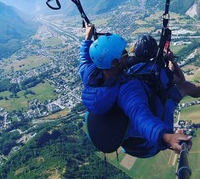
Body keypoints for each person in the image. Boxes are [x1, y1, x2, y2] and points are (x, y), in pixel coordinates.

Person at [78, 24, 192, 158]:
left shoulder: (90, 74)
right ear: (115, 63)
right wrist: (166, 137)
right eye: (124, 54)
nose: (127, 55)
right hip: (147, 146)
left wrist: (87, 37)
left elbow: (84, 59)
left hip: (125, 141)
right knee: (173, 96)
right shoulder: (124, 89)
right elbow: (141, 117)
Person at [128, 33, 200, 102]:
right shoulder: (156, 71)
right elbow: (182, 80)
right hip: (156, 103)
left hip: (140, 98)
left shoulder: (130, 67)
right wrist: (172, 60)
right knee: (186, 87)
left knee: (169, 76)